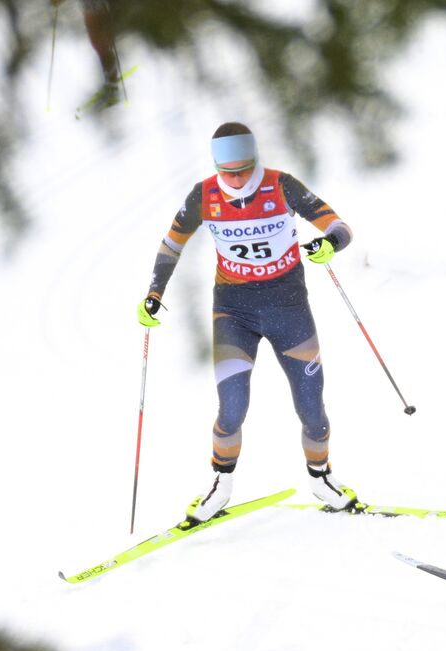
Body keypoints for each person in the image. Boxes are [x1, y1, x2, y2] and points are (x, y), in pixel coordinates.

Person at [137, 122, 359, 521]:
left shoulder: (281, 185)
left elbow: (340, 227)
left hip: (288, 308)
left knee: (311, 407)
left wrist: (328, 243)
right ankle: (220, 487)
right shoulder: (204, 195)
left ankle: (321, 479)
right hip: (233, 311)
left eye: (244, 169)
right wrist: (155, 292)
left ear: (255, 160)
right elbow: (172, 243)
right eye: (229, 172)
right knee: (232, 406)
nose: (237, 179)